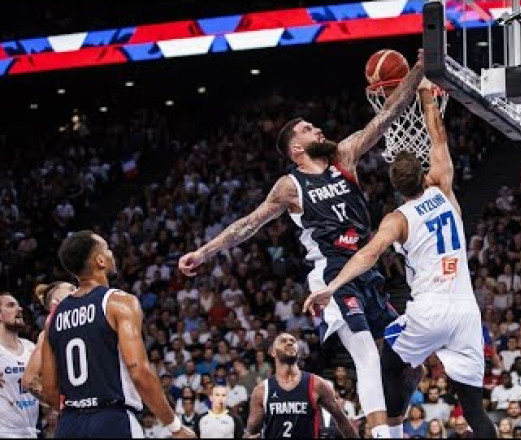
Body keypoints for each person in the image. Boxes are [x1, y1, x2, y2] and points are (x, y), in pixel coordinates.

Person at [178, 52, 425, 439]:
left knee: (411, 362)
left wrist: (417, 71)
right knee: (365, 356)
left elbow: (386, 117)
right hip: (332, 274)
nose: (317, 130)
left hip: (368, 271)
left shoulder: (344, 156)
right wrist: (204, 252)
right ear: (296, 148)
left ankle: (391, 424)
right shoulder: (290, 186)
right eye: (308, 129)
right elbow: (248, 225)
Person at [304, 78, 495, 438]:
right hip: (465, 309)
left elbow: (367, 255)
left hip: (429, 309)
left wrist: (333, 286)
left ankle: (390, 431)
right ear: (424, 176)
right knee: (473, 408)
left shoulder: (397, 219)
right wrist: (426, 95)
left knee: (388, 363)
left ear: (395, 188)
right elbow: (439, 137)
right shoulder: (442, 185)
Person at [41, 230, 195, 438]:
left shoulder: (55, 317)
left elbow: (49, 390)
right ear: (100, 261)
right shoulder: (119, 302)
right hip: (112, 419)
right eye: (107, 248)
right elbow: (139, 371)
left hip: (69, 423)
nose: (112, 252)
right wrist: (175, 427)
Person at [246, 333, 358, 438]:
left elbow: (342, 421)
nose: (289, 343)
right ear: (273, 352)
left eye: (292, 341)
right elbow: (251, 432)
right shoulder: (262, 390)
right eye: (283, 341)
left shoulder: (316, 383)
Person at [21, 281, 76, 401]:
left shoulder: (85, 319)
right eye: (72, 289)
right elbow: (29, 380)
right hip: (78, 411)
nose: (77, 291)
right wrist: (60, 405)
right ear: (55, 301)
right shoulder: (47, 333)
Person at [0, 292, 39, 437]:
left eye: (19, 305)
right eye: (11, 305)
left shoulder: (31, 347)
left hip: (30, 430)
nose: (20, 309)